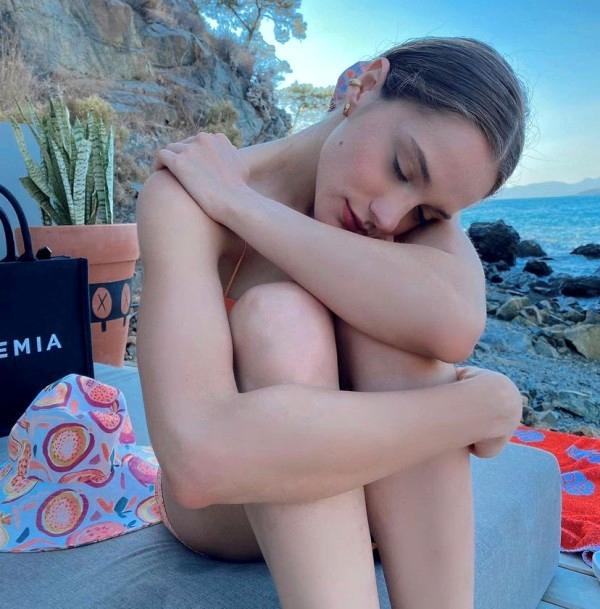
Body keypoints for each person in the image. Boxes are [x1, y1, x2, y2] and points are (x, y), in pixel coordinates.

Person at [136, 36, 528, 609]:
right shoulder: (186, 196)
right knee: (282, 315)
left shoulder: (405, 225)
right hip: (232, 505)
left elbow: (455, 326)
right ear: (363, 86)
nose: (389, 217)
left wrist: (244, 207)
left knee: (401, 323)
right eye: (402, 167)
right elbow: (198, 460)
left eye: (428, 213)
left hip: (371, 487)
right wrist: (478, 407)